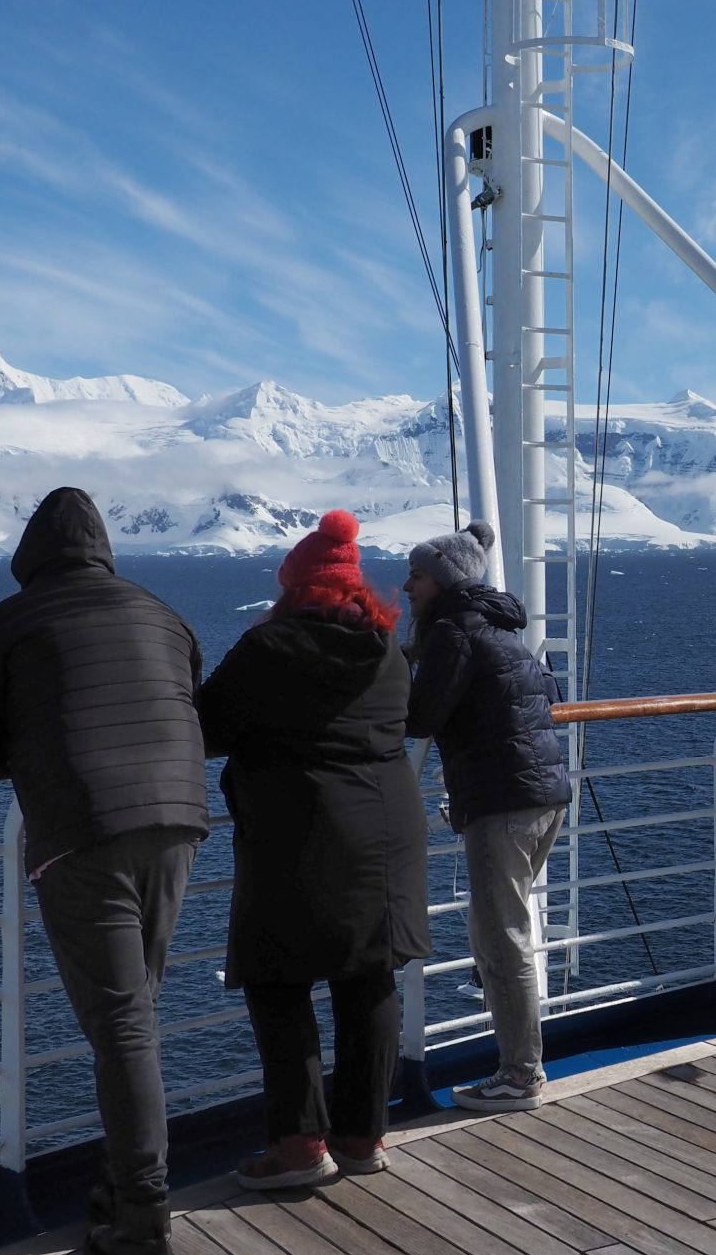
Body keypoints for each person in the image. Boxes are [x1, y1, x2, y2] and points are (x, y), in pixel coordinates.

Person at [0, 487, 208, 1255]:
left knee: (123, 1028)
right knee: (134, 1015)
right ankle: (120, 1190)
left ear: (31, 555)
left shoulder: (9, 622)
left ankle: (143, 1223)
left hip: (86, 825)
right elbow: (189, 697)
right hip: (179, 816)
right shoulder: (162, 612)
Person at [200, 509, 430, 1189]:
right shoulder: (388, 651)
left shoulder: (269, 646)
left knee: (278, 979)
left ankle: (300, 1145)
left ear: (296, 585)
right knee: (369, 976)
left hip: (294, 830)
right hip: (385, 828)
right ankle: (363, 1137)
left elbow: (207, 722)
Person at [403, 518, 569, 1112]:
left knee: (503, 939)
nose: (408, 586)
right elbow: (544, 698)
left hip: (502, 801)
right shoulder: (498, 626)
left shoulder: (454, 631)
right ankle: (519, 1067)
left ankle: (520, 1076)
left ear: (445, 581)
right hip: (540, 793)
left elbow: (420, 717)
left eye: (417, 576)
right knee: (502, 929)